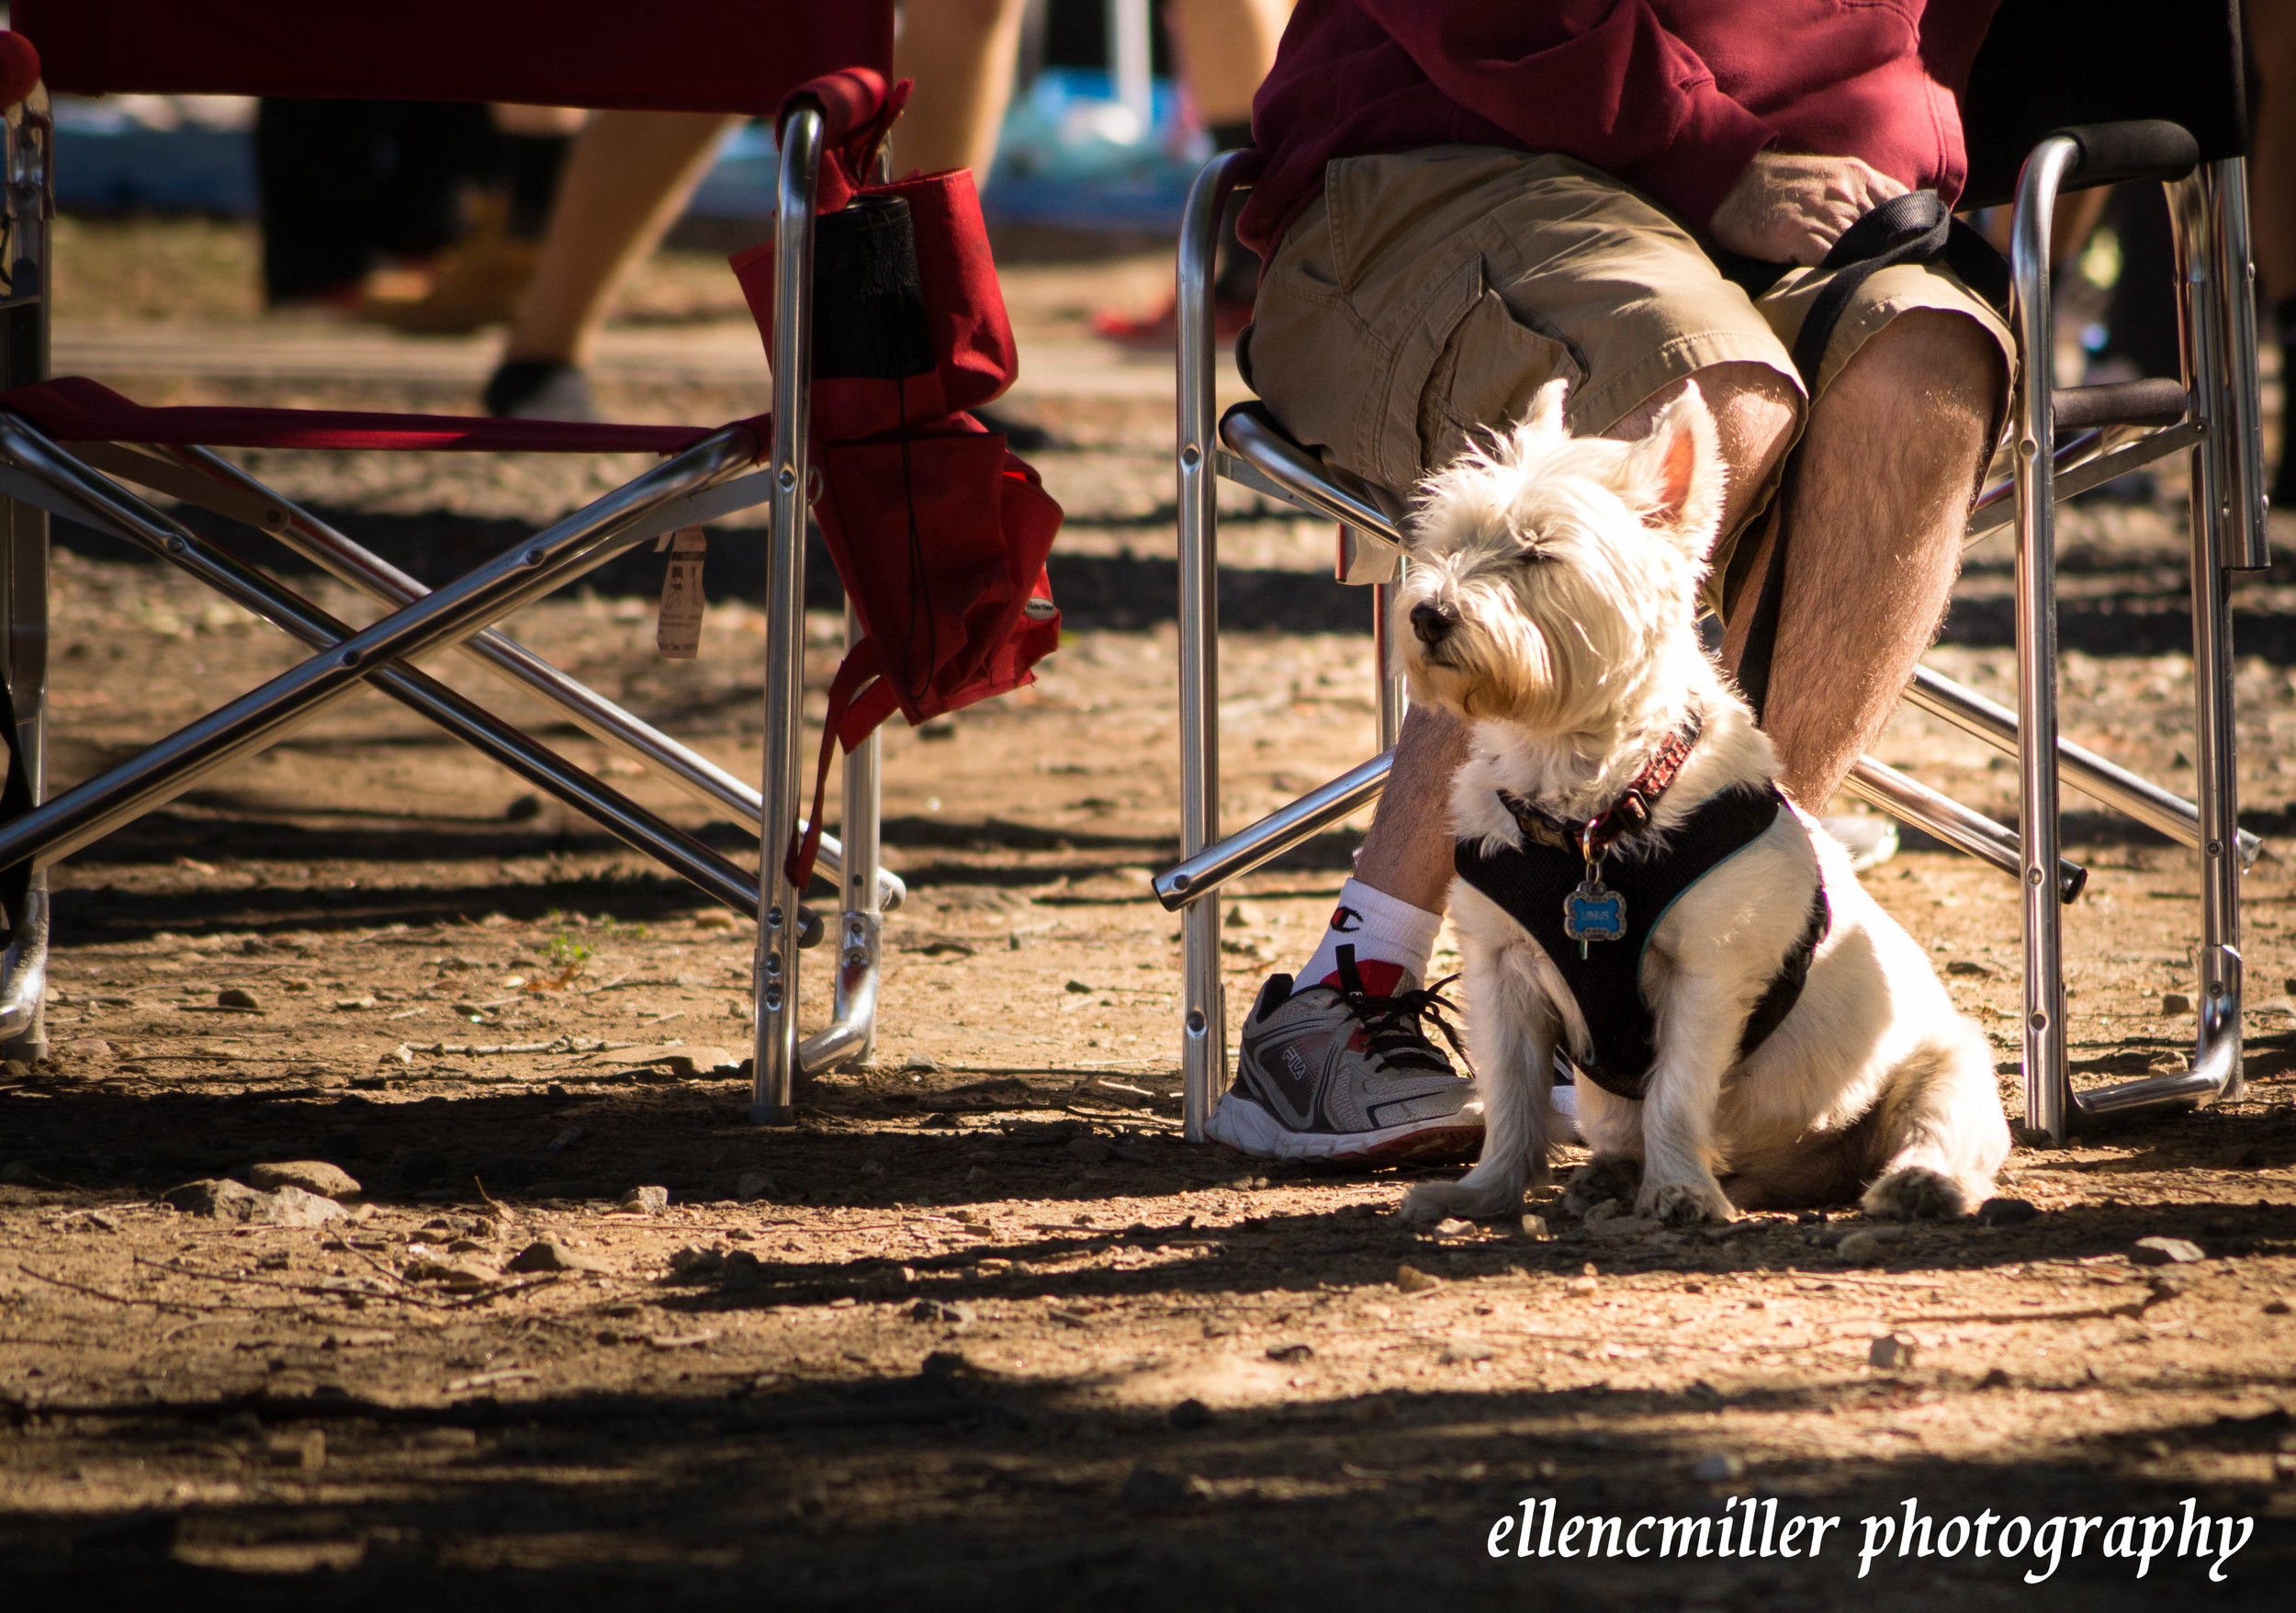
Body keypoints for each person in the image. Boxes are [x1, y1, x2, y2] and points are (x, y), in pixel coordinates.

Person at [1207, 1, 2013, 1164]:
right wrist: (1705, 147)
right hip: (1468, 155)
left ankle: (1681, 982)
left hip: (1824, 201)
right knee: (1706, 387)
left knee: (1923, 371)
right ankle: (1350, 990)